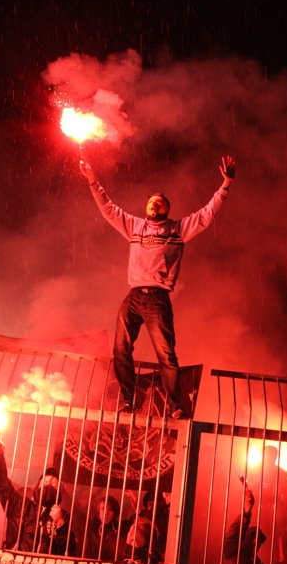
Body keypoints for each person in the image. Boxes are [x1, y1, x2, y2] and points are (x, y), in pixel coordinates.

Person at [80, 155, 235, 418]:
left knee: (166, 354)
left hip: (158, 298)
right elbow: (108, 209)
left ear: (166, 210)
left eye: (159, 203)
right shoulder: (134, 226)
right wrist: (93, 181)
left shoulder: (178, 229)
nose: (154, 205)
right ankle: (129, 399)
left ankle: (175, 405)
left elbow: (206, 215)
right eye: (151, 202)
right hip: (133, 296)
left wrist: (226, 184)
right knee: (120, 349)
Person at [0, 437, 76, 555]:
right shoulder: (20, 506)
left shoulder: (64, 516)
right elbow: (1, 485)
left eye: (53, 484)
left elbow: (69, 553)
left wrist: (60, 523)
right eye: (45, 483)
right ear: (37, 487)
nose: (48, 485)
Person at [223, 487, 267, 564]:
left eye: (259, 539)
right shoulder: (233, 551)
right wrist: (247, 511)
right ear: (246, 536)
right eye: (253, 536)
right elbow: (233, 533)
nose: (256, 540)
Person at [84, 495, 130, 561]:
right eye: (103, 508)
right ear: (98, 510)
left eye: (110, 509)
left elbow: (141, 526)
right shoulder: (91, 527)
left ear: (115, 513)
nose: (106, 513)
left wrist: (137, 509)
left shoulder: (120, 529)